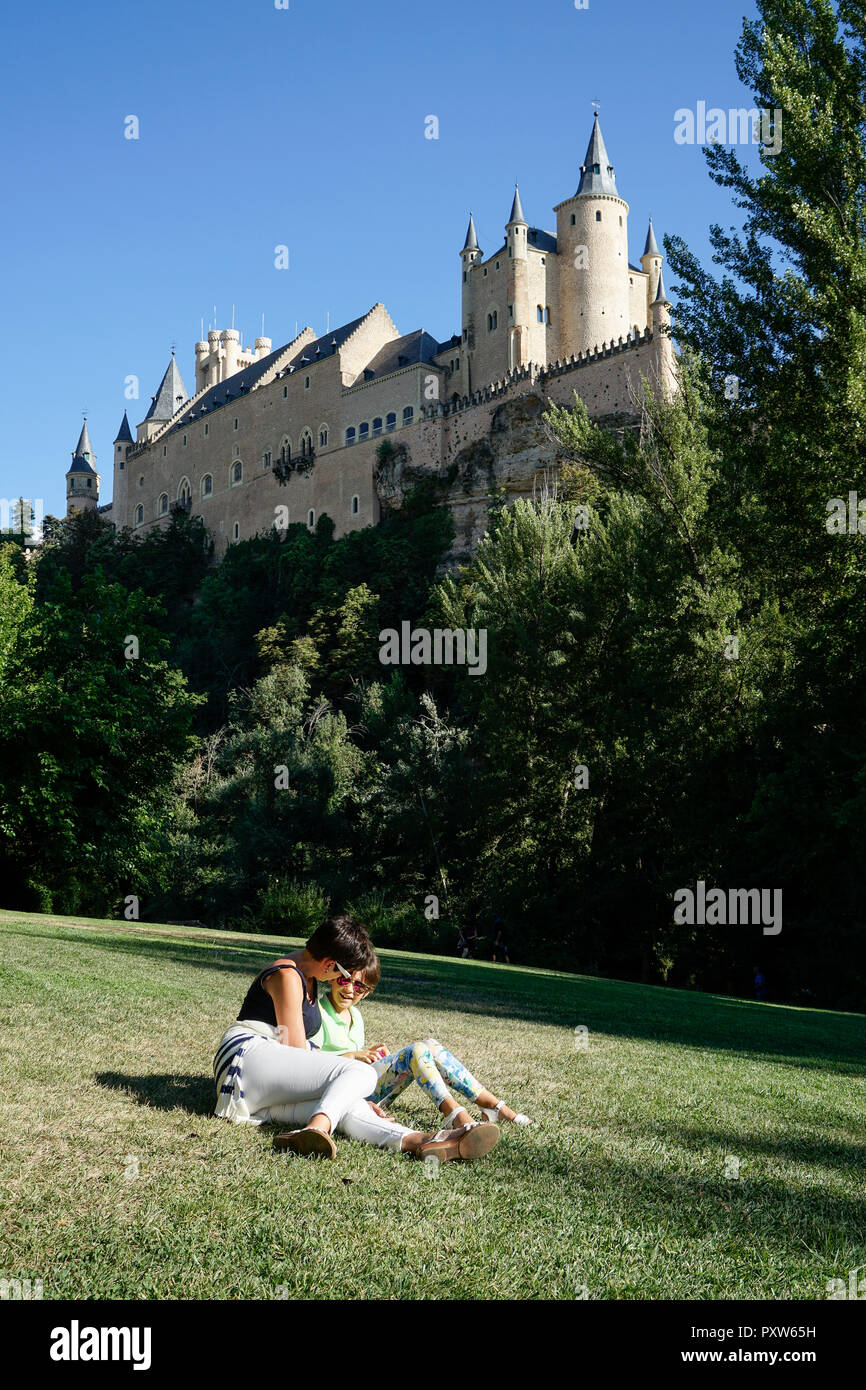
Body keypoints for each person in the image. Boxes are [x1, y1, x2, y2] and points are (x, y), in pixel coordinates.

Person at [213, 913, 496, 1164]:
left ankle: (422, 1141)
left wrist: (344, 1091)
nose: (343, 982)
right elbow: (294, 1050)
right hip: (247, 1061)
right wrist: (348, 1082)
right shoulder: (288, 976)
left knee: (349, 1106)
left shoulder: (308, 976)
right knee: (360, 1073)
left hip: (264, 1085)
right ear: (328, 964)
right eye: (345, 973)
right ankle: (318, 1127)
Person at [313, 955, 531, 1129]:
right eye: (344, 980)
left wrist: (366, 1053)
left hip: (363, 1083)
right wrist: (352, 1056)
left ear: (367, 993)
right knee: (414, 1051)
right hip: (343, 1095)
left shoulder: (355, 1017)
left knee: (430, 1045)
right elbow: (310, 1064)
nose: (349, 989)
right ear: (332, 977)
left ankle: (493, 1106)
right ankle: (454, 1114)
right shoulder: (318, 1013)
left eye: (359, 986)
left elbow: (353, 1056)